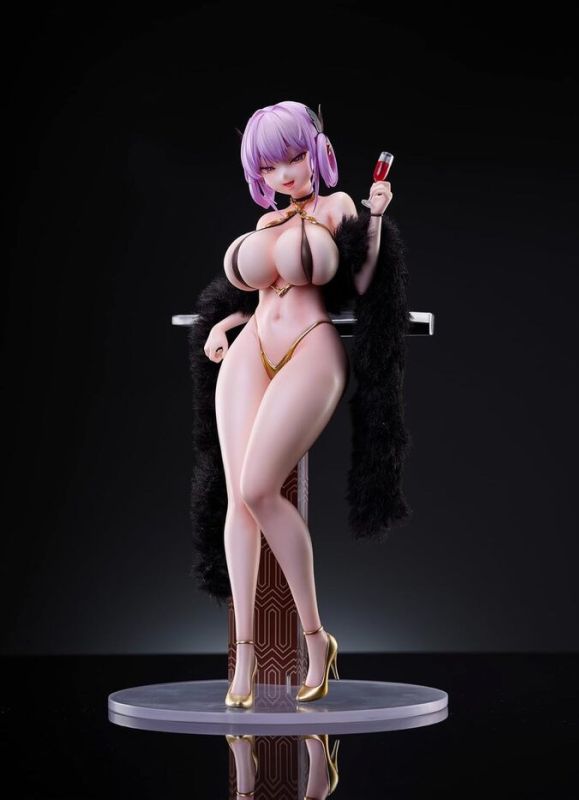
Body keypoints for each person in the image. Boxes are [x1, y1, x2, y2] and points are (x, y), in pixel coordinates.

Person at [188, 101, 412, 707]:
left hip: (311, 346)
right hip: (250, 349)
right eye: (269, 166)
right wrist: (223, 323)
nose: (284, 174)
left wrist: (375, 218)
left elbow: (362, 284)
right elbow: (260, 293)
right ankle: (244, 658)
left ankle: (316, 640)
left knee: (260, 488)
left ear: (316, 151)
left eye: (292, 157)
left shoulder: (339, 209)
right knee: (237, 500)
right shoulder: (267, 222)